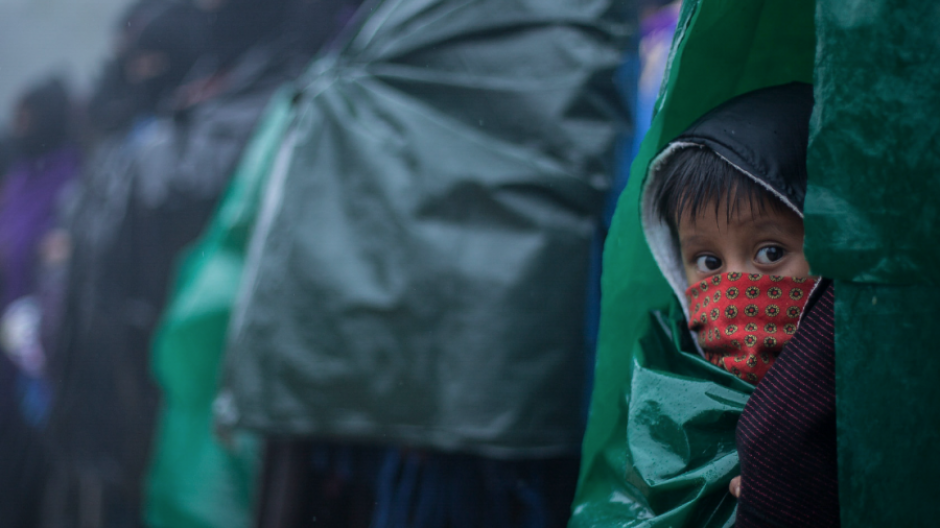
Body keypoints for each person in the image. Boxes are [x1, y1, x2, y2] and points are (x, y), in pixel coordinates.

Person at [641, 83, 839, 526]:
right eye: (709, 262)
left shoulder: (866, 395)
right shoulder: (664, 382)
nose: (734, 290)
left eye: (770, 253)